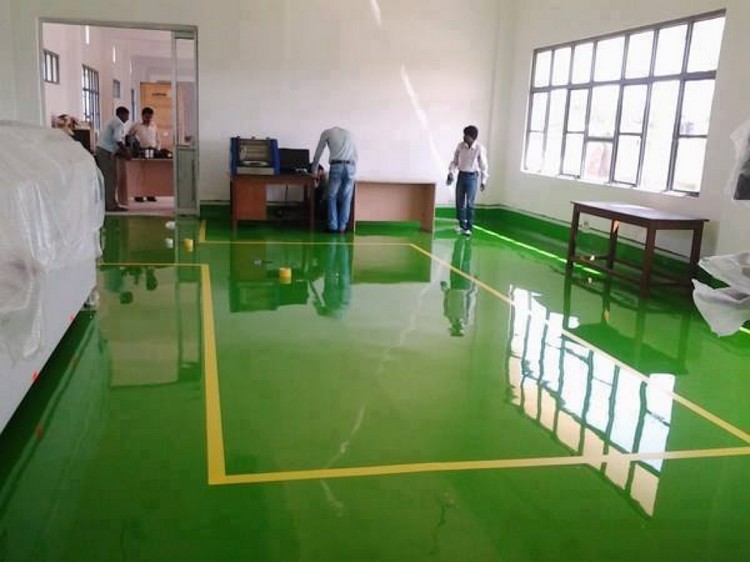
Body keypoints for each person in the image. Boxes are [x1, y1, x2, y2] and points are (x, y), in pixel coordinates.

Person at [311, 126, 358, 233]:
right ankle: (342, 227)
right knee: (347, 197)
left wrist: (314, 171)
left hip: (337, 166)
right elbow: (355, 154)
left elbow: (318, 152)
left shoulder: (326, 133)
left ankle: (332, 226)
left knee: (332, 196)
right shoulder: (349, 133)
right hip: (351, 166)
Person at [446, 125, 488, 236]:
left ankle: (469, 227)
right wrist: (451, 172)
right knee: (459, 202)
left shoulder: (479, 148)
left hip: (472, 177)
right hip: (461, 175)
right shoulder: (460, 146)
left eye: (466, 135)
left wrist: (483, 181)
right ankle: (461, 225)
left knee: (470, 203)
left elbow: (483, 166)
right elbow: (455, 161)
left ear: (472, 137)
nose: (463, 137)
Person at [96, 106, 131, 212]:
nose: (127, 118)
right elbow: (117, 139)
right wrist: (126, 151)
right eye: (127, 115)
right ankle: (110, 205)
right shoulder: (118, 123)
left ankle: (111, 203)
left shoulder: (113, 121)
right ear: (121, 114)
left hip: (104, 150)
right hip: (106, 152)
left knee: (109, 178)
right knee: (110, 179)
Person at [441, 236, 477, 337]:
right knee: (465, 262)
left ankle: (460, 240)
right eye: (458, 329)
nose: (456, 327)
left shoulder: (448, 315)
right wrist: (474, 285)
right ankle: (468, 242)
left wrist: (445, 289)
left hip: (454, 285)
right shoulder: (466, 317)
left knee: (455, 261)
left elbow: (446, 301)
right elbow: (470, 301)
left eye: (455, 329)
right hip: (464, 287)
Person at [128, 107, 161, 202]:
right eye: (146, 117)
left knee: (151, 174)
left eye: (150, 117)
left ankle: (150, 194)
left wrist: (158, 149)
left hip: (152, 151)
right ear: (142, 116)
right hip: (141, 151)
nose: (148, 119)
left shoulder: (154, 126)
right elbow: (129, 137)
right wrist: (133, 148)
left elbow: (158, 139)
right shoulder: (136, 126)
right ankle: (139, 195)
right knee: (140, 174)